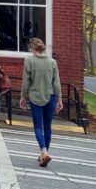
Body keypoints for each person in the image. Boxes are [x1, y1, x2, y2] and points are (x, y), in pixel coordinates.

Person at [19, 38, 63, 167]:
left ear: (32, 48)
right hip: (50, 97)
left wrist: (23, 96)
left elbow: (26, 81)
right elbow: (56, 83)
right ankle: (45, 155)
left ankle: (44, 152)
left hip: (35, 97)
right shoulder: (52, 62)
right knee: (47, 127)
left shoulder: (29, 61)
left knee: (38, 127)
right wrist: (59, 99)